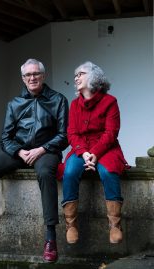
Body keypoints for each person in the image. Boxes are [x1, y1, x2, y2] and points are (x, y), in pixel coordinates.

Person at [0, 58, 69, 263]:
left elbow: (64, 135)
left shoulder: (58, 100)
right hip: (20, 152)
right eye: (28, 75)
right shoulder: (14, 104)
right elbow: (5, 138)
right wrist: (19, 152)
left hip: (47, 152)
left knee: (45, 173)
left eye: (36, 74)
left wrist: (42, 149)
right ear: (23, 78)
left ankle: (50, 239)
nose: (32, 78)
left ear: (43, 76)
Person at [62, 61, 129, 245]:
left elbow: (111, 133)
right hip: (81, 148)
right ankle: (71, 225)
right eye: (75, 75)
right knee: (69, 172)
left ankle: (115, 225)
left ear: (93, 77)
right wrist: (84, 153)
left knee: (108, 171)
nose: (76, 78)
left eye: (80, 74)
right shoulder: (75, 104)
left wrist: (95, 154)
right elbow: (72, 133)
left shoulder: (110, 102)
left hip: (105, 147)